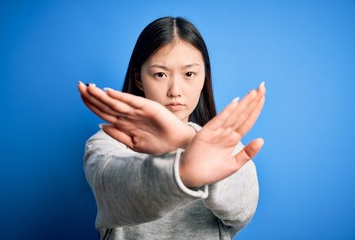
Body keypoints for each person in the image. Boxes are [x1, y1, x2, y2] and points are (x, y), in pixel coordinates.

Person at [78, 16, 266, 240]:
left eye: (189, 74)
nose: (174, 90)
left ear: (204, 77)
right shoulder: (105, 144)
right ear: (139, 78)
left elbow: (243, 209)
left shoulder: (225, 146)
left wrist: (187, 139)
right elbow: (117, 191)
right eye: (160, 74)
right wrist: (182, 173)